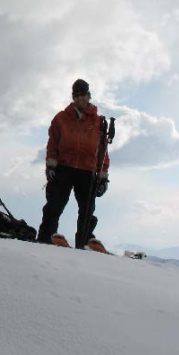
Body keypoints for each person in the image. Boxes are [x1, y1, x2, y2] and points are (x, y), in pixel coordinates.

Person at [38, 79, 110, 249]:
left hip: (88, 170)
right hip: (64, 167)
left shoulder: (99, 122)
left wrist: (103, 177)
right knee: (54, 206)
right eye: (76, 95)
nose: (79, 99)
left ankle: (84, 242)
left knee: (87, 210)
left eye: (82, 95)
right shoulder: (61, 118)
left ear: (88, 96)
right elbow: (53, 143)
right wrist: (51, 165)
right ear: (73, 97)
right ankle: (45, 239)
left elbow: (102, 151)